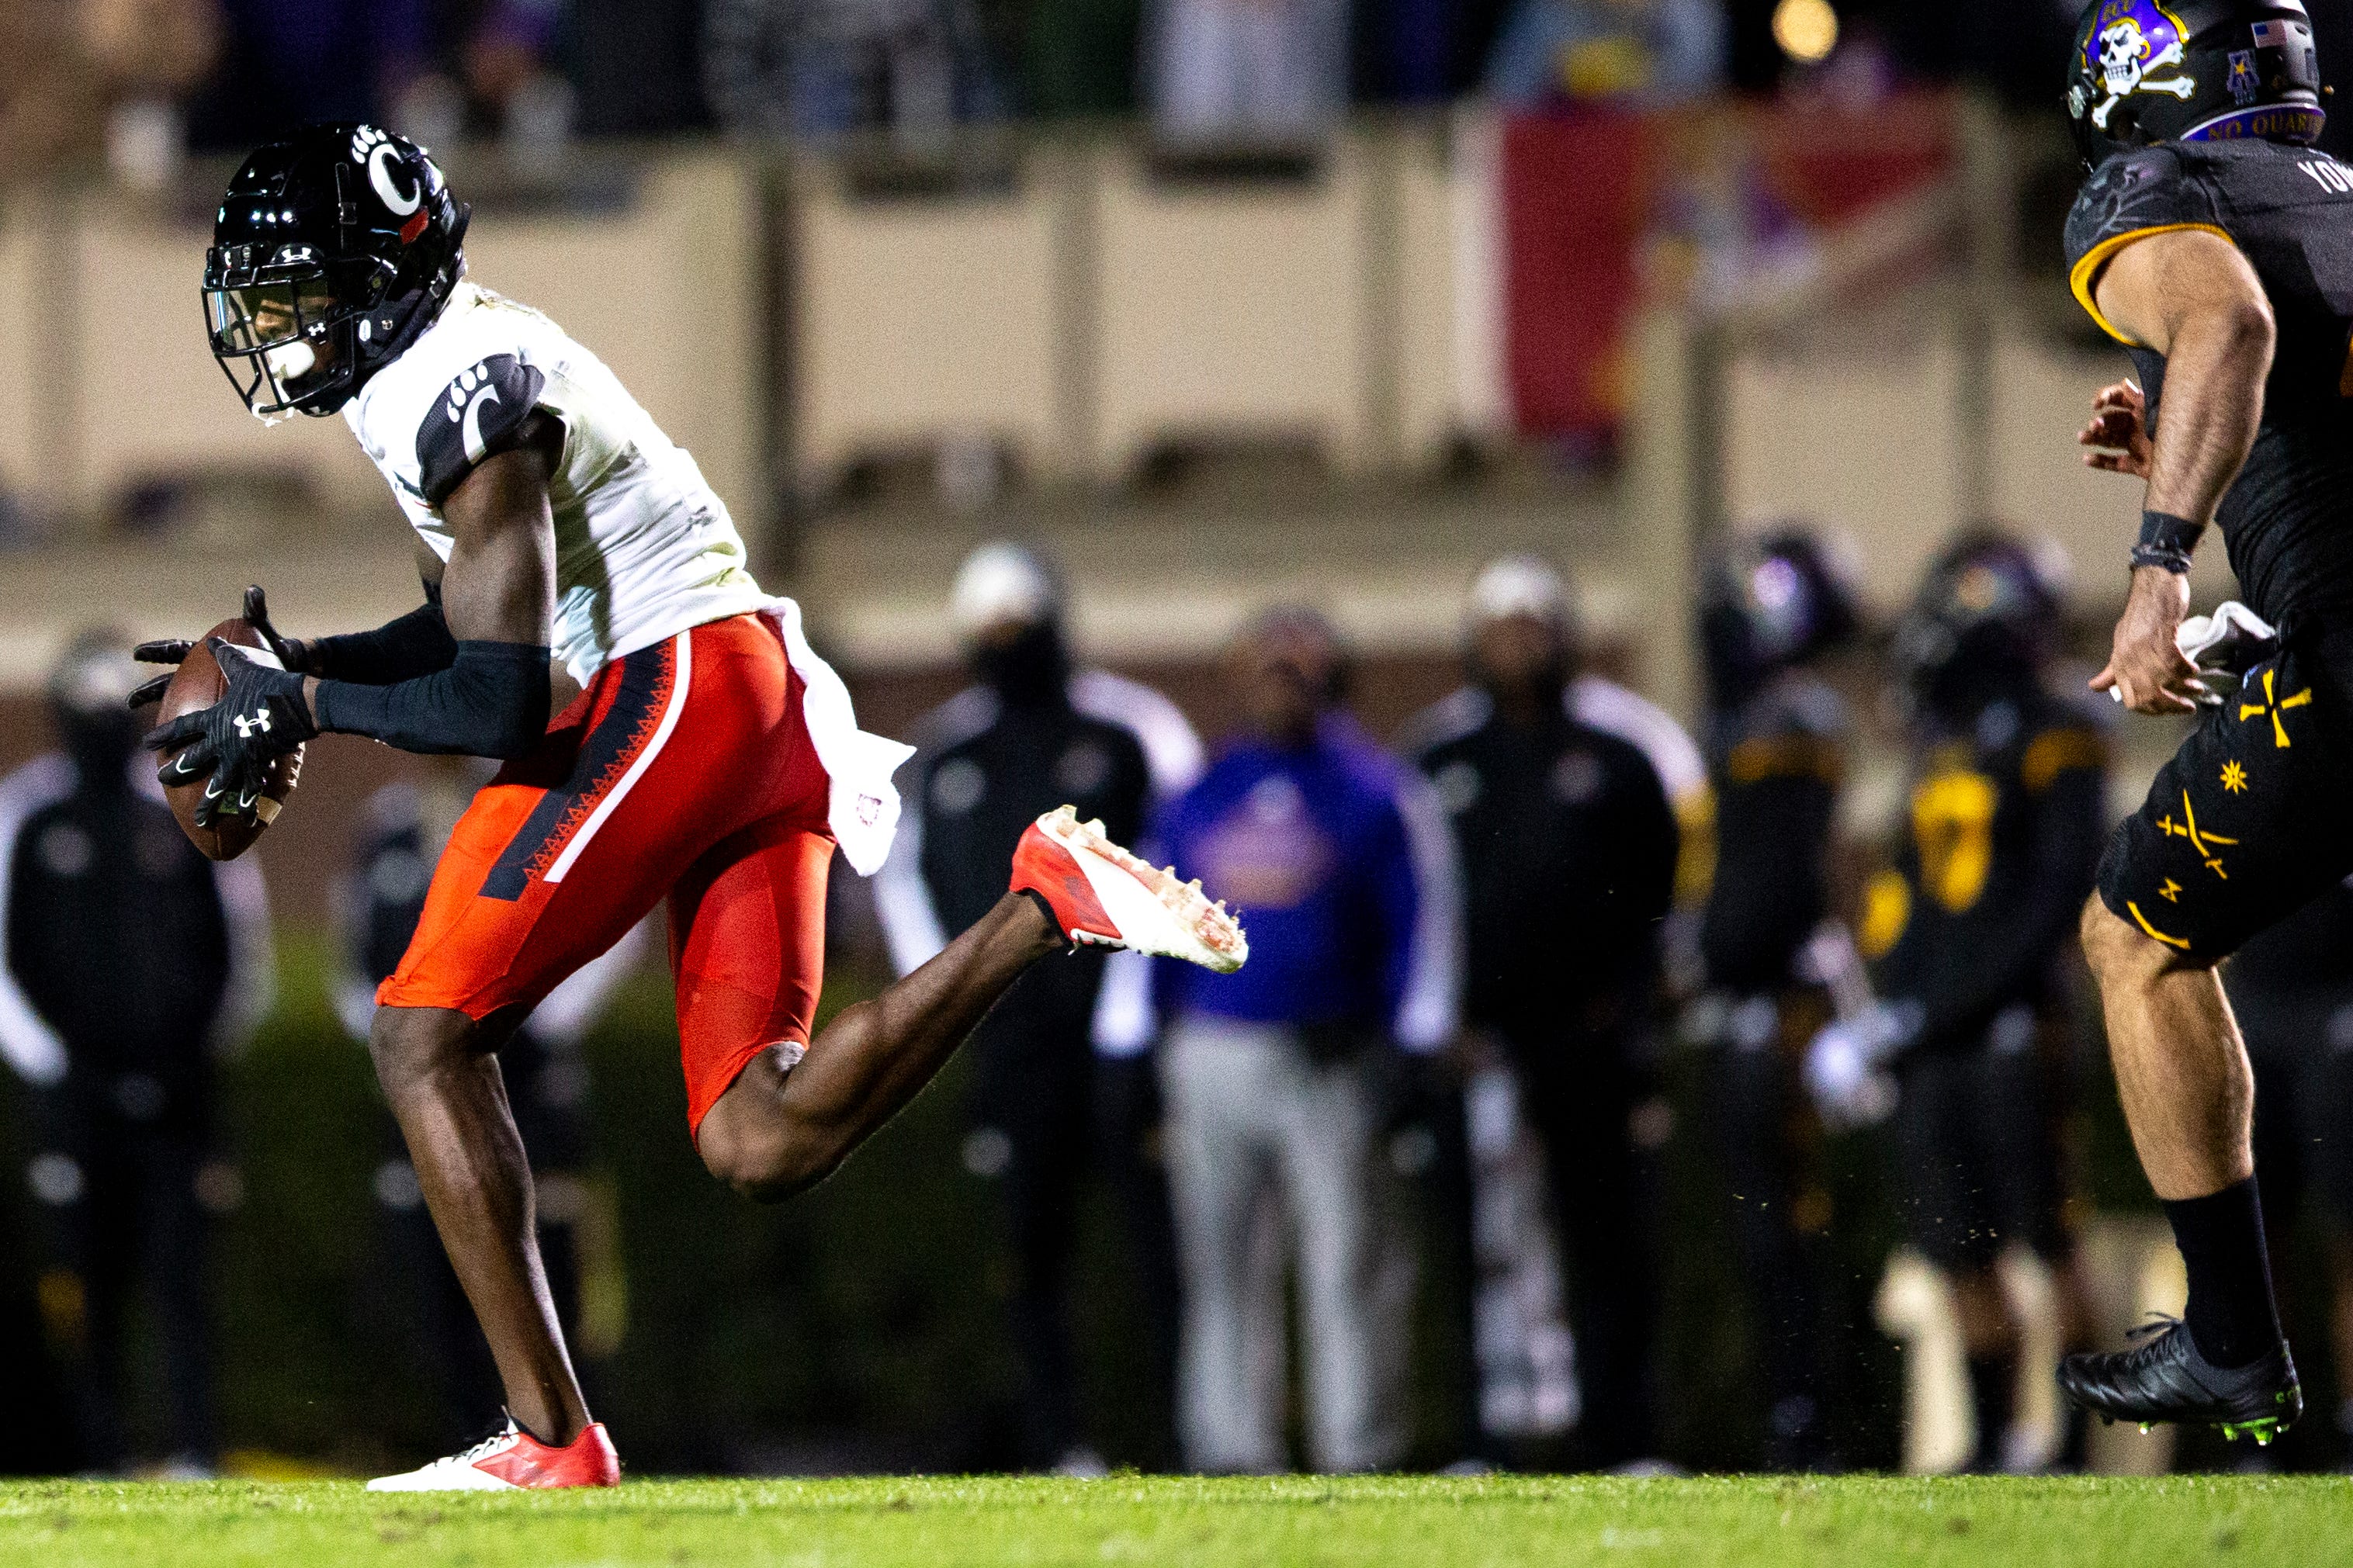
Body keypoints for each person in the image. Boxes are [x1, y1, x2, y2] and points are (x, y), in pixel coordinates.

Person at [133, 123, 1245, 1490]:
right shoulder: (441, 363)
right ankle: (1044, 905)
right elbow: (469, 621)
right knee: (759, 1135)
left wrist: (301, 708)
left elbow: (499, 700)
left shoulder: (457, 384)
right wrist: (312, 667)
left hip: (679, 691)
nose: (280, 322)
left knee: (421, 1034)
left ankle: (552, 1442)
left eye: (300, 287)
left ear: (374, 271)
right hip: (738, 695)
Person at [2046, 0, 2343, 1441]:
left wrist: (2158, 567)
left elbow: (2227, 316)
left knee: (2135, 937)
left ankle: (2231, 1348)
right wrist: (2189, 445)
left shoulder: (2155, 185)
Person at [874, 541, 1202, 1473]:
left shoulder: (1134, 731)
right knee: (1029, 1245)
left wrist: (1131, 1018)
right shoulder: (945, 754)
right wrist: (946, 1004)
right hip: (1006, 1038)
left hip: (1123, 1033)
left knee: (1156, 1244)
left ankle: (1182, 1434)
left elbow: (1180, 867)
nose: (1007, 640)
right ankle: (1063, 1439)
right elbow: (905, 886)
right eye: (990, 624)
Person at [1808, 535, 2107, 1473]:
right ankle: (1987, 1436)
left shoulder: (2057, 726)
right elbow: (1904, 893)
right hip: (1937, 1032)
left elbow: (2056, 892)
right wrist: (1884, 1007)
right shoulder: (1939, 742)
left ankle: (2069, 1440)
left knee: (2046, 1238)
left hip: (2012, 1022)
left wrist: (1947, 1003)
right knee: (1954, 1245)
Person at [1156, 607, 1459, 1474]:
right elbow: (1149, 923)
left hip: (1330, 1053)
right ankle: (1229, 1446)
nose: (1280, 678)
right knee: (1219, 1264)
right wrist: (1145, 1042)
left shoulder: (1372, 788)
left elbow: (1419, 922)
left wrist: (1411, 1038)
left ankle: (1356, 1446)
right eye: (1265, 662)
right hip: (1212, 1048)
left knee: (1348, 1258)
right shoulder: (1199, 790)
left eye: (1298, 663)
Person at [1405, 563, 1679, 1469]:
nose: (1517, 638)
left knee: (1604, 1244)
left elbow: (1660, 901)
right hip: (1470, 1041)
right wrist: (1434, 1022)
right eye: (1498, 622)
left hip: (1588, 1037)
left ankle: (1619, 1434)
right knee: (1467, 1247)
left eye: (1533, 620)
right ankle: (1477, 1436)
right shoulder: (1434, 758)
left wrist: (1629, 1013)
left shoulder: (1622, 751)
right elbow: (1410, 904)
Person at [0, 629, 272, 1476]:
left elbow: (238, 951)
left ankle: (195, 1447)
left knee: (182, 1277)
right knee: (86, 1278)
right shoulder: (28, 814)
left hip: (178, 1092)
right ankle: (94, 1451)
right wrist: (61, 1065)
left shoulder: (186, 804)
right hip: (75, 1096)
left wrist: (189, 1059)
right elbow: (7, 963)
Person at [336, 765, 641, 1454]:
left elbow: (614, 918)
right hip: (427, 1076)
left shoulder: (543, 802)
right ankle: (471, 1438)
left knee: (547, 1255)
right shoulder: (388, 827)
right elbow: (354, 955)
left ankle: (563, 1431)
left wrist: (525, 1017)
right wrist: (403, 1034)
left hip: (530, 1073)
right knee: (435, 1263)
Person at [1689, 526, 1859, 1470]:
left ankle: (1807, 1418)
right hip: (1748, 1003)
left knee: (1785, 1225)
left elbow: (1774, 888)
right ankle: (1786, 1413)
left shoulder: (1788, 721)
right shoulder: (1749, 721)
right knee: (1758, 1229)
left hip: (1778, 1003)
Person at [2219, 880, 2353, 1466]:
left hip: (2338, 998)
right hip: (2259, 999)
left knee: (2347, 1238)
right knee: (2251, 1240)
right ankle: (2264, 1432)